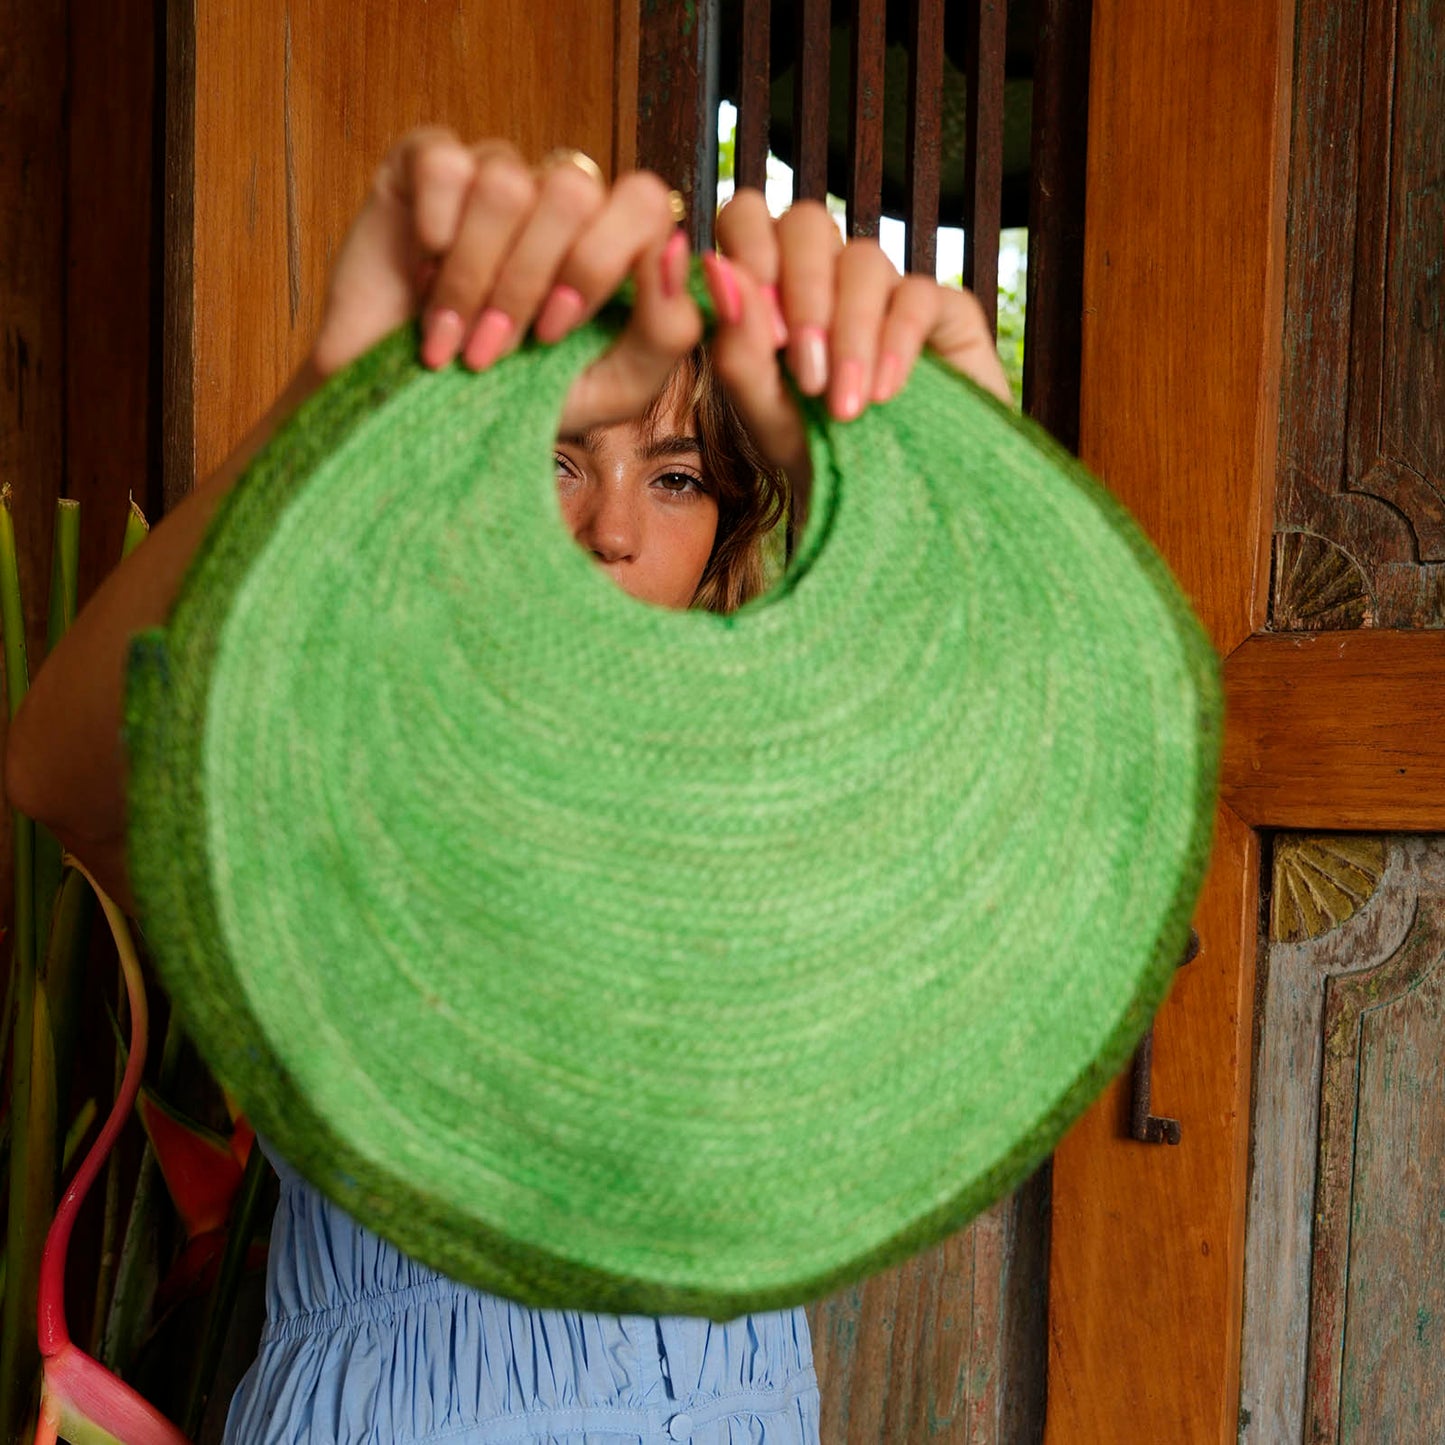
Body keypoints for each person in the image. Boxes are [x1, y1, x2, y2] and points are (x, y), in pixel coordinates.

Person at [5, 131, 1011, 1443]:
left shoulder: (778, 816)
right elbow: (58, 770)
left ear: (720, 550)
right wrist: (335, 379)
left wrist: (975, 481)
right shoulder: (344, 778)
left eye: (674, 478)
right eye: (558, 458)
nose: (610, 528)